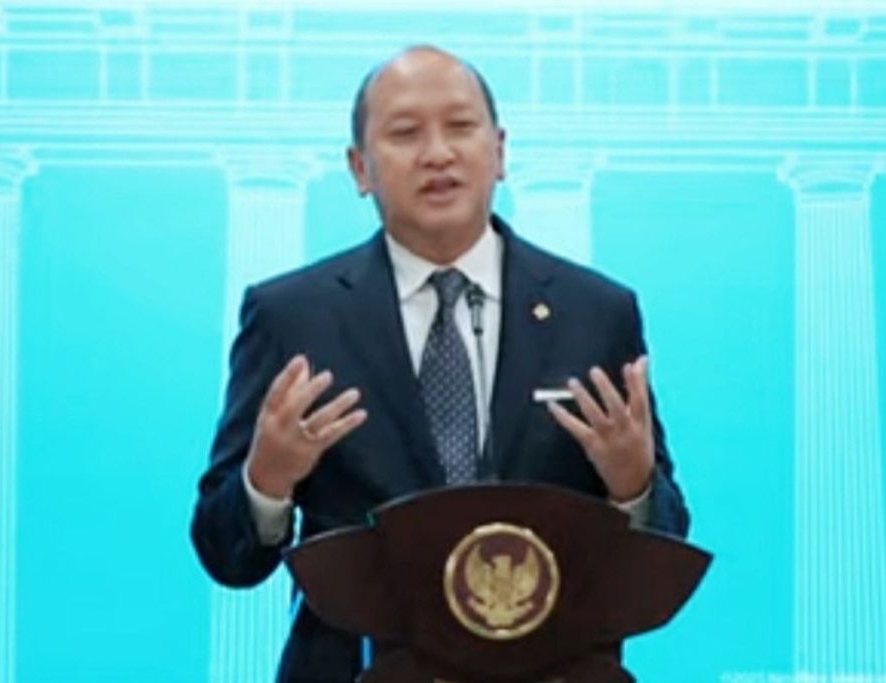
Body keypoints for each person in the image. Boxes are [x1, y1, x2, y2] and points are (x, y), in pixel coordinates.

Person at [191, 45, 689, 683]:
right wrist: (267, 483)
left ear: (499, 152)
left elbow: (664, 545)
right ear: (360, 167)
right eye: (405, 133)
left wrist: (633, 487)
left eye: (460, 127)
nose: (437, 153)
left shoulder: (596, 313)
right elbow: (226, 556)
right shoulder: (292, 316)